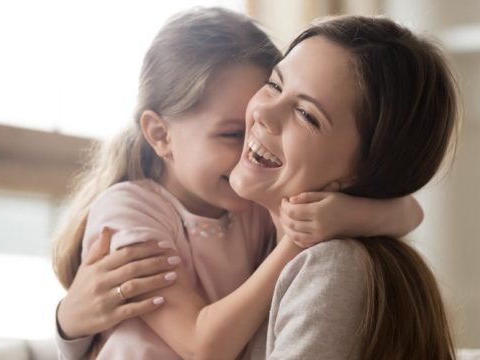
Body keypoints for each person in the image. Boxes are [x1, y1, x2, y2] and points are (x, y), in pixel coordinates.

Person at [52, 8, 425, 360]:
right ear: (161, 135)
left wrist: (347, 213)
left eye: (302, 113)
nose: (251, 140)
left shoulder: (247, 206)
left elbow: (411, 211)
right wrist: (297, 240)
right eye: (232, 133)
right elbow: (203, 345)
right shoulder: (131, 212)